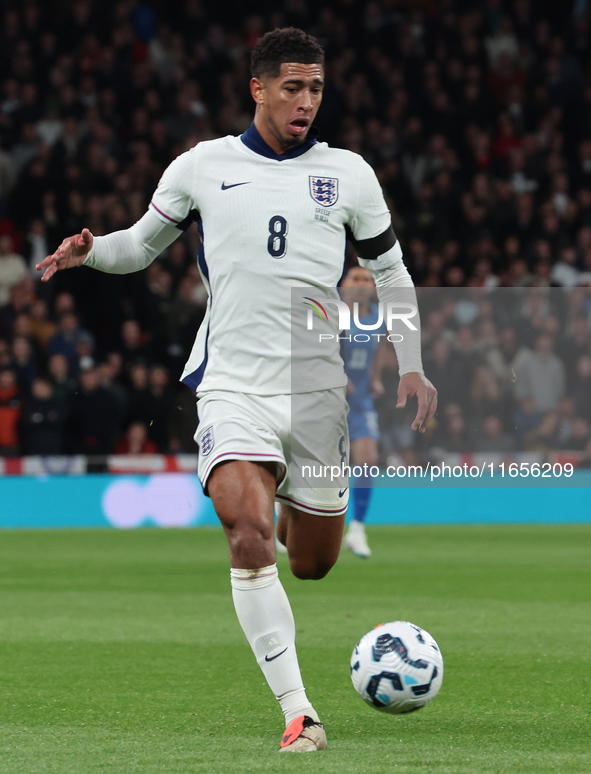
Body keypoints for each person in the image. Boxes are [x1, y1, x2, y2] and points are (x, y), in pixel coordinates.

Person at [37, 28, 437, 753]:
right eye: (292, 86)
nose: (305, 101)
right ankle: (298, 714)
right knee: (244, 533)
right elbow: (139, 245)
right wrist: (92, 252)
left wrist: (409, 360)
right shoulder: (201, 166)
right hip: (232, 384)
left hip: (314, 390)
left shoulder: (349, 174)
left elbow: (392, 276)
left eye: (315, 88)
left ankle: (289, 504)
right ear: (257, 88)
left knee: (311, 561)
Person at [340, 265, 388, 558]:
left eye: (367, 279)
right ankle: (286, 517)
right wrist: (336, 374)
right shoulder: (331, 314)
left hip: (359, 403)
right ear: (344, 284)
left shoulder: (378, 318)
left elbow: (380, 347)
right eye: (356, 278)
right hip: (327, 400)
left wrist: (375, 378)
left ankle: (357, 528)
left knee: (368, 459)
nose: (361, 284)